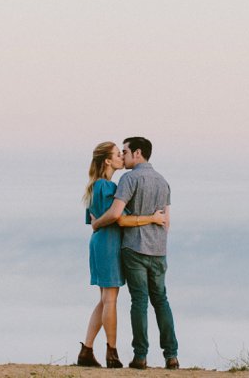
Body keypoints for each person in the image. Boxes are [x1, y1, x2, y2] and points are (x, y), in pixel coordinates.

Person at [91, 136, 179, 370]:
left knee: (139, 301)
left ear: (137, 153)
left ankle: (140, 356)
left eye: (126, 151)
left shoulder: (129, 179)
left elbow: (116, 215)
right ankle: (171, 355)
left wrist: (97, 223)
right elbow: (167, 222)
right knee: (161, 300)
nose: (124, 155)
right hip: (159, 250)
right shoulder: (163, 182)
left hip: (134, 249)